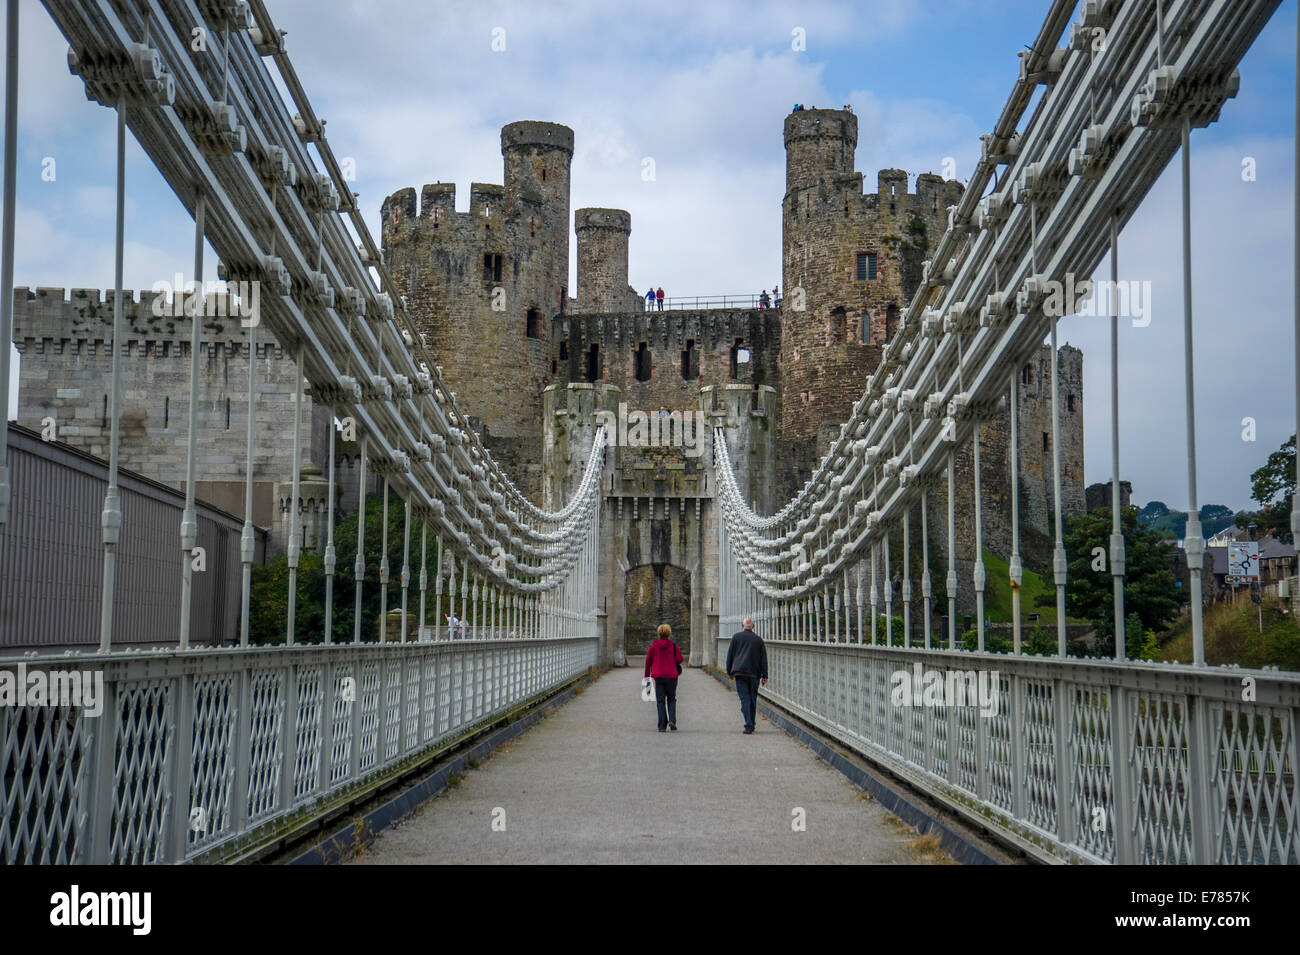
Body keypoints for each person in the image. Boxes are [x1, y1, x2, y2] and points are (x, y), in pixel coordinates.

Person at [725, 617, 767, 734]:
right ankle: (751, 723)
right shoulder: (758, 640)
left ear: (742, 625)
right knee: (752, 699)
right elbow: (763, 659)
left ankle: (749, 724)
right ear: (753, 627)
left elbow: (730, 655)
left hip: (740, 672)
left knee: (745, 699)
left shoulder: (736, 637)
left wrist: (729, 672)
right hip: (754, 673)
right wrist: (765, 675)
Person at [643, 623, 684, 732]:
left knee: (660, 701)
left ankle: (662, 725)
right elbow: (680, 659)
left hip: (659, 676)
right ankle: (672, 720)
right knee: (671, 698)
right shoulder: (673, 645)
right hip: (672, 676)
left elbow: (648, 662)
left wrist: (647, 678)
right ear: (669, 633)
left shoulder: (654, 645)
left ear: (659, 633)